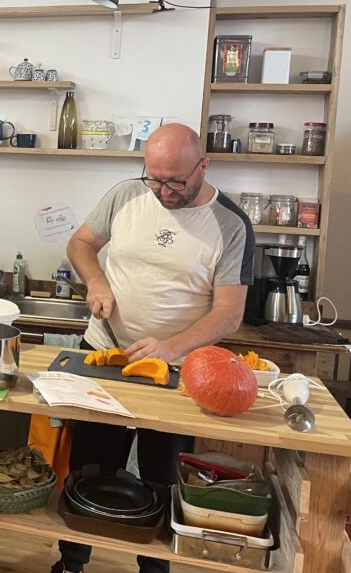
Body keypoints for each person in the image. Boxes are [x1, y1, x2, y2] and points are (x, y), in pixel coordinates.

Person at [52, 123, 254, 573]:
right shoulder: (126, 195)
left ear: (203, 166)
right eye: (154, 179)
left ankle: (154, 568)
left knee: (162, 478)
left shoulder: (230, 224)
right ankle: (71, 563)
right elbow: (81, 242)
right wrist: (97, 280)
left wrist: (170, 347)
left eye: (176, 181)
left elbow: (228, 315)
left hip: (178, 373)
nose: (163, 191)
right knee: (87, 468)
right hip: (103, 352)